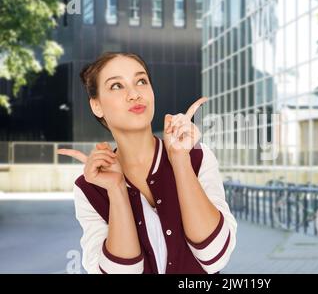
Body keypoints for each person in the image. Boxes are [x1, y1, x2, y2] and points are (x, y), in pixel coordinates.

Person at [57, 52, 237, 274]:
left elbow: (214, 257)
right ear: (97, 106)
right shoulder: (89, 187)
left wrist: (180, 161)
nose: (134, 94)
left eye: (141, 81)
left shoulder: (197, 157)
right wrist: (116, 190)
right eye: (116, 86)